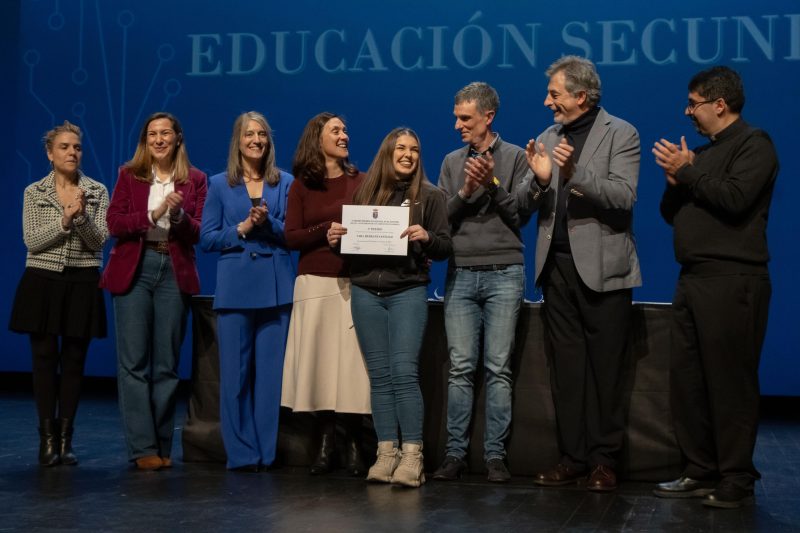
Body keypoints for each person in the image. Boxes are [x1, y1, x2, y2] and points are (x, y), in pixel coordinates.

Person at [652, 66, 778, 509]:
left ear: (719, 104)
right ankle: (699, 469)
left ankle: (736, 479)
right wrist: (675, 182)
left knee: (729, 384)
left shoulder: (754, 144)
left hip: (733, 279)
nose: (688, 112)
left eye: (694, 103)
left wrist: (688, 172)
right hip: (693, 278)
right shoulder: (700, 155)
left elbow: (734, 199)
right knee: (689, 383)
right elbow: (675, 215)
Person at [525, 56, 641, 491]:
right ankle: (572, 456)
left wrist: (574, 175)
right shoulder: (547, 136)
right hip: (556, 270)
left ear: (581, 95)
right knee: (568, 370)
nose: (547, 101)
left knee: (606, 370)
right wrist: (539, 181)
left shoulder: (622, 133)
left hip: (603, 270)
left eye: (554, 94)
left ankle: (604, 461)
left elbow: (623, 196)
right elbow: (526, 198)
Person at [328, 127, 452, 487]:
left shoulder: (430, 196)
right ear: (388, 152)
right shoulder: (365, 193)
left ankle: (412, 456)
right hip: (366, 292)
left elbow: (445, 246)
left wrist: (427, 238)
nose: (408, 154)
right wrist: (336, 241)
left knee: (403, 373)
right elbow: (351, 246)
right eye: (401, 148)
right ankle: (386, 453)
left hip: (407, 291)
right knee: (380, 377)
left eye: (414, 149)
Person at [433, 82, 533, 483]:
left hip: (505, 273)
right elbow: (442, 218)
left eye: (465, 118)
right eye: (457, 116)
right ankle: (455, 454)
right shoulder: (451, 161)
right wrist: (467, 189)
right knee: (460, 368)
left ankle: (495, 457)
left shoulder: (516, 158)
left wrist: (491, 183)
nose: (457, 124)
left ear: (488, 118)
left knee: (498, 368)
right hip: (461, 271)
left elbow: (521, 215)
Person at [101, 112, 207, 471]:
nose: (159, 139)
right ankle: (142, 447)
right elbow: (114, 223)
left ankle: (163, 445)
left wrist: (176, 218)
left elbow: (199, 233)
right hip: (137, 267)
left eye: (165, 133)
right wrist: (153, 214)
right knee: (134, 364)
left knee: (167, 365)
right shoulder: (129, 175)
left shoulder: (194, 180)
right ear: (145, 141)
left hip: (173, 271)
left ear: (178, 138)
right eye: (152, 135)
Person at [9, 121, 109, 467]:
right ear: (50, 154)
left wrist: (80, 218)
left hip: (82, 281)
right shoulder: (34, 192)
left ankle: (66, 441)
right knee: (44, 360)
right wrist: (64, 221)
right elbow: (32, 241)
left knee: (75, 362)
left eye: (77, 147)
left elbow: (98, 241)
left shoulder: (96, 191)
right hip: (42, 281)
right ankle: (46, 441)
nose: (72, 153)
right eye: (64, 147)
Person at [200, 111, 294, 472]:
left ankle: (266, 454)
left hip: (276, 287)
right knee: (235, 377)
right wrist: (240, 228)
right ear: (237, 141)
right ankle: (241, 454)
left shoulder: (284, 182)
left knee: (270, 379)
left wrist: (267, 222)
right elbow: (207, 238)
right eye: (249, 134)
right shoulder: (219, 184)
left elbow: (293, 235)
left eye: (263, 135)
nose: (256, 140)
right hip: (236, 287)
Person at [282, 112, 370, 476]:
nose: (344, 134)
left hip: (352, 281)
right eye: (336, 129)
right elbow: (291, 236)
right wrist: (326, 230)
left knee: (350, 369)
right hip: (314, 282)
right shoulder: (302, 185)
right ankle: (323, 441)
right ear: (317, 139)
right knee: (319, 366)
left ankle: (349, 441)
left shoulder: (361, 181)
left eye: (346, 129)